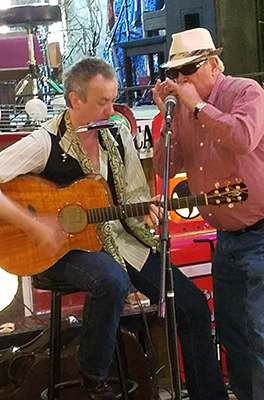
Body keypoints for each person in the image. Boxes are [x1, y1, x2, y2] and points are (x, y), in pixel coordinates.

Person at [0, 57, 228, 400]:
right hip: (58, 248)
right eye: (102, 102)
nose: (111, 110)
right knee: (111, 279)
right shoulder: (45, 142)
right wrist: (35, 224)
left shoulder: (118, 132)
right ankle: (94, 377)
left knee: (192, 306)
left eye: (113, 99)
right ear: (75, 100)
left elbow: (134, 199)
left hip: (120, 239)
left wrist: (147, 213)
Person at [152, 27, 264, 400]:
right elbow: (164, 166)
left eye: (189, 69)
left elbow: (242, 136)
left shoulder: (245, 91)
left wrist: (197, 106)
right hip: (230, 238)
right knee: (234, 334)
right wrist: (165, 119)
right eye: (175, 73)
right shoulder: (185, 111)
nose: (181, 79)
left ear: (214, 65)